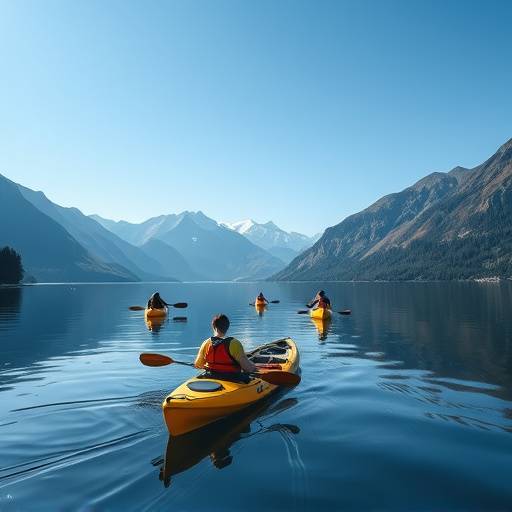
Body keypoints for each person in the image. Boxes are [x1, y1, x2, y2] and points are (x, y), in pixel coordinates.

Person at [194, 314, 257, 380]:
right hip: (232, 379)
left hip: (211, 377)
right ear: (227, 327)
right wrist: (254, 367)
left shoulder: (206, 343)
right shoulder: (234, 343)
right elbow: (247, 368)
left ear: (214, 327)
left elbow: (198, 365)